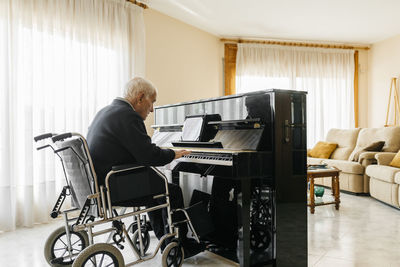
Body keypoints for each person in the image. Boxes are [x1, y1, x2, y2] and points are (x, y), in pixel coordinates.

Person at [86, 77, 202, 257]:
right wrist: (173, 154)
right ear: (140, 97)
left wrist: (156, 152)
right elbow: (148, 155)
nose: (152, 109)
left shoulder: (106, 111)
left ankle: (166, 242)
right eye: (152, 102)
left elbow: (133, 151)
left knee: (155, 192)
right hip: (114, 187)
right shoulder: (128, 115)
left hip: (102, 185)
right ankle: (181, 244)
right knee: (172, 191)